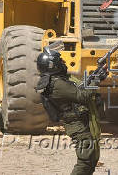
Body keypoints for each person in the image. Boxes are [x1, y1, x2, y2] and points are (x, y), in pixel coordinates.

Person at [35, 47, 104, 175]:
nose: (62, 63)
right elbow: (82, 96)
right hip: (77, 125)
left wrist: (94, 77)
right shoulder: (57, 84)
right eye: (59, 61)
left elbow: (77, 90)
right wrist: (96, 80)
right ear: (52, 65)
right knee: (85, 161)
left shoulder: (55, 81)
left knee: (91, 160)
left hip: (77, 123)